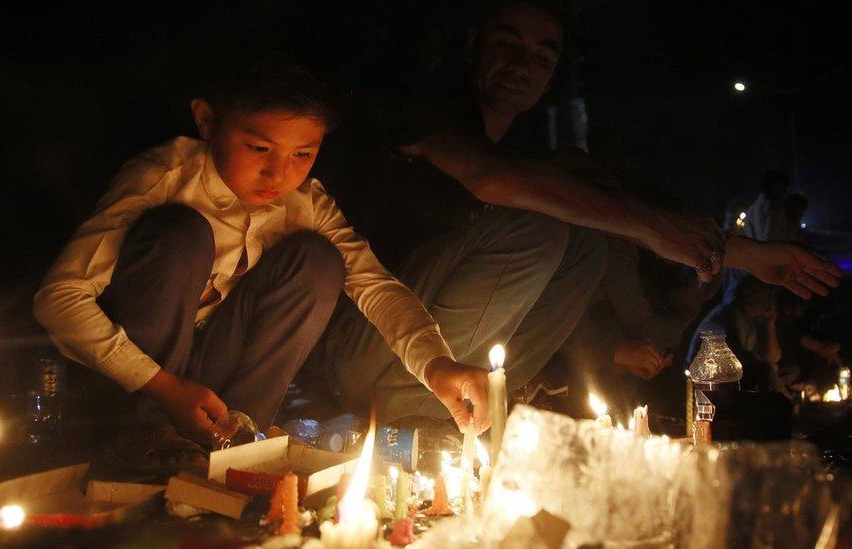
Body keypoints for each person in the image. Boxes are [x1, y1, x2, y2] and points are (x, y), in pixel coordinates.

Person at [321, 0, 841, 424]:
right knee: (541, 222)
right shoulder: (425, 111)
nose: (522, 65)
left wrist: (739, 254)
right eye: (507, 44)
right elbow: (494, 178)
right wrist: (653, 229)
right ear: (473, 43)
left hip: (429, 379)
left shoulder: (533, 155)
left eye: (543, 55)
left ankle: (454, 414)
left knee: (585, 240)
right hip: (360, 346)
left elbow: (607, 199)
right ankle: (409, 410)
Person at [33, 62, 491, 459]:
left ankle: (240, 438)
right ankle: (150, 438)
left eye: (302, 154)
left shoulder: (305, 203)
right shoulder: (165, 174)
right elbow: (59, 299)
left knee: (318, 260)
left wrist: (436, 366)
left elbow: (375, 287)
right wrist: (162, 388)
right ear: (207, 120)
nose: (279, 174)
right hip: (134, 382)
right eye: (258, 149)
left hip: (215, 381)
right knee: (182, 234)